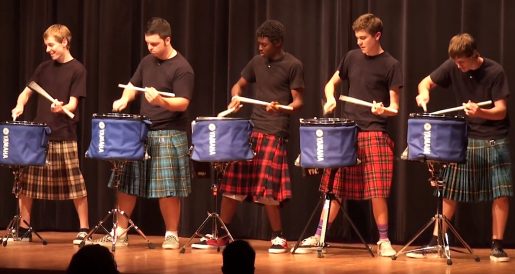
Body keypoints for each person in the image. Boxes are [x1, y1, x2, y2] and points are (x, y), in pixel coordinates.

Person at [192, 19, 304, 253]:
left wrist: (281, 108)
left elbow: (298, 102)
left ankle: (278, 237)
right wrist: (236, 96)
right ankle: (222, 233)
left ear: (278, 43)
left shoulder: (293, 65)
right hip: (252, 129)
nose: (260, 48)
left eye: (264, 44)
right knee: (234, 181)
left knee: (268, 186)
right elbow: (238, 85)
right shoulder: (256, 62)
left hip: (275, 130)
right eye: (258, 43)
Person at [294, 13, 402, 257]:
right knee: (335, 188)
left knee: (378, 189)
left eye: (364, 38)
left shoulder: (391, 65)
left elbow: (395, 108)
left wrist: (382, 109)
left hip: (374, 132)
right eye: (357, 38)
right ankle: (319, 235)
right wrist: (331, 97)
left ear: (377, 36)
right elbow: (330, 84)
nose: (360, 42)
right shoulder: (351, 58)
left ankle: (383, 240)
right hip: (346, 132)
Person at [407, 33, 512, 262]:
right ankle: (436, 241)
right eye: (455, 62)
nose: (458, 66)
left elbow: (501, 110)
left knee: (500, 193)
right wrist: (424, 91)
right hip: (466, 136)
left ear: (474, 55)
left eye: (462, 62)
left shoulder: (495, 71)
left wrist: (481, 112)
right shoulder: (453, 64)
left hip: (494, 137)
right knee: (449, 191)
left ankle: (497, 245)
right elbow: (426, 82)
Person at [99, 17, 194, 250]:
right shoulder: (147, 61)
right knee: (127, 183)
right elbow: (133, 86)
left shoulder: (182, 68)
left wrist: (161, 101)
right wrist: (124, 99)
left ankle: (171, 234)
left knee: (168, 187)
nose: (150, 48)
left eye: (154, 44)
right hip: (142, 131)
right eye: (148, 44)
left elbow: (183, 103)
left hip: (169, 132)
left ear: (167, 40)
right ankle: (120, 232)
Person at [11, 24, 90, 245]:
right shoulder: (43, 68)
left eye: (51, 45)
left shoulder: (78, 70)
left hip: (64, 133)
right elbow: (26, 92)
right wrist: (19, 105)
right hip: (39, 135)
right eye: (46, 45)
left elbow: (73, 104)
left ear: (64, 42)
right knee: (27, 183)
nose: (48, 49)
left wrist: (62, 107)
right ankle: (24, 227)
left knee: (76, 184)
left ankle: (84, 228)